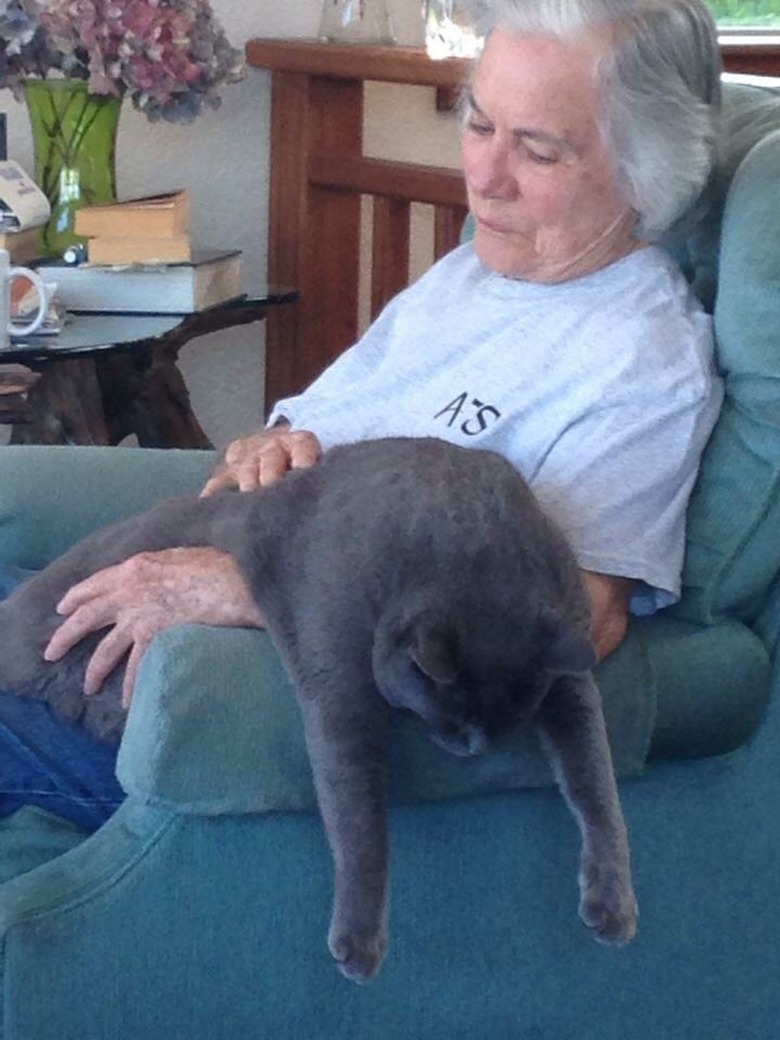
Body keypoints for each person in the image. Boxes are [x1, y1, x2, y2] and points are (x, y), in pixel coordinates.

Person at [1, 0, 725, 831]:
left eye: (538, 149)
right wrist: (264, 446)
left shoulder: (643, 366)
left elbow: (574, 626)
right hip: (136, 614)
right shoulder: (472, 277)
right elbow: (303, 429)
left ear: (649, 172)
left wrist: (264, 589)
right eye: (480, 125)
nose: (484, 177)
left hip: (210, 704)